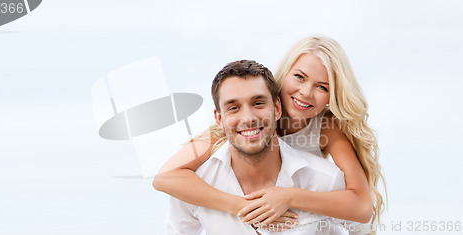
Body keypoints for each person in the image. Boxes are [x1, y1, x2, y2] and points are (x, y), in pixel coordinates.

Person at [154, 36, 385, 232]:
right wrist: (242, 207)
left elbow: (362, 207)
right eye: (299, 77)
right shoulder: (235, 126)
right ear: (283, 76)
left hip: (308, 217)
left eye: (322, 87)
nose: (305, 92)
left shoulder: (325, 127)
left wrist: (289, 197)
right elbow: (165, 177)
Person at [166, 60, 351, 234]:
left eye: (258, 103)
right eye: (234, 108)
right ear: (219, 119)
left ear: (277, 108)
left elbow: (362, 227)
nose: (248, 118)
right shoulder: (195, 185)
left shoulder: (325, 180)